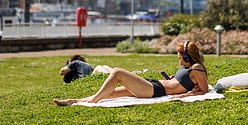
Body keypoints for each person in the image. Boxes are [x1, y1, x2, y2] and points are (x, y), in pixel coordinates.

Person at [54, 41, 208, 106]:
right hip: (153, 85)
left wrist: (183, 95)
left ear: (188, 57)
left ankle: (91, 102)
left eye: (182, 59)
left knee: (117, 72)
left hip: (155, 90)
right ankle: (74, 101)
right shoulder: (190, 69)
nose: (180, 62)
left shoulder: (197, 69)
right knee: (111, 93)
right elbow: (185, 83)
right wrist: (176, 79)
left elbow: (204, 90)